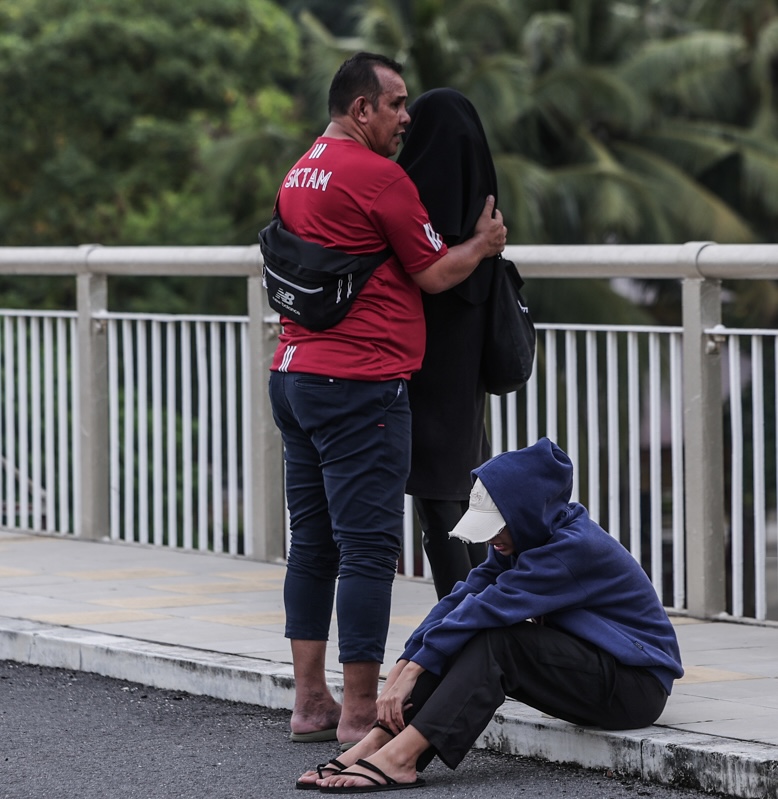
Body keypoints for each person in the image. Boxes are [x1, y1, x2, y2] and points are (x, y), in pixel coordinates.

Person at [266, 52, 508, 749]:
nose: (407, 118)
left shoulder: (301, 169)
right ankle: (359, 709)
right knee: (369, 549)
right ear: (360, 108)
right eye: (396, 104)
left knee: (312, 544)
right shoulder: (379, 178)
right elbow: (435, 273)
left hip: (294, 372)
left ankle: (311, 701)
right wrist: (483, 243)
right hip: (360, 384)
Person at [297, 437, 684, 792]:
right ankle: (380, 741)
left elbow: (487, 609)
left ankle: (401, 758)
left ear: (527, 514)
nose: (491, 539)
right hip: (595, 671)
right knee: (465, 631)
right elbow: (462, 599)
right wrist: (406, 660)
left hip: (635, 687)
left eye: (497, 528)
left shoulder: (573, 550)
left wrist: (412, 671)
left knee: (497, 642)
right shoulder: (527, 537)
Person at [397, 88, 497, 599]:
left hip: (421, 364)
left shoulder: (412, 200)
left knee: (438, 502)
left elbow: (423, 273)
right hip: (467, 367)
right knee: (464, 491)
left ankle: (462, 621)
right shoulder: (486, 222)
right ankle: (481, 611)